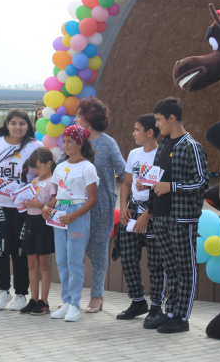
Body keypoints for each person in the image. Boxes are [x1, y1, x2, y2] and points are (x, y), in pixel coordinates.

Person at [142, 97, 208, 334]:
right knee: (171, 267)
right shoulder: (163, 145)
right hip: (160, 215)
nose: (157, 124)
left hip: (182, 217)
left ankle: (182, 316)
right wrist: (146, 183)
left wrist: (172, 186)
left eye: (159, 120)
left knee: (185, 267)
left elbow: (202, 182)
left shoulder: (191, 146)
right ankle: (171, 312)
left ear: (172, 118)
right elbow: (159, 176)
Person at [0, 109, 43, 311]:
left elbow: (43, 173)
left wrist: (35, 190)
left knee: (20, 250)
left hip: (23, 207)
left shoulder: (35, 146)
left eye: (22, 123)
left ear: (28, 125)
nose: (18, 127)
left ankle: (21, 294)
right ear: (7, 124)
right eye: (14, 123)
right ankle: (3, 291)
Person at [73, 97, 125, 313]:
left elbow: (123, 171)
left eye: (78, 115)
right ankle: (71, 297)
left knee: (98, 253)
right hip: (75, 207)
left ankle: (97, 295)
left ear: (89, 120)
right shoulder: (74, 141)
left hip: (102, 207)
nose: (74, 118)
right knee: (74, 253)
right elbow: (61, 167)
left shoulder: (108, 143)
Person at [42, 125, 99, 322]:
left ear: (80, 144)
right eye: (64, 141)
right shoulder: (60, 166)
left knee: (75, 261)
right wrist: (47, 207)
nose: (65, 145)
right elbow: (57, 196)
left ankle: (75, 303)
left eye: (70, 142)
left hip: (77, 214)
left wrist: (74, 216)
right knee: (62, 261)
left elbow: (92, 199)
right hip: (60, 213)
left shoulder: (88, 168)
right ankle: (66, 301)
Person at [116, 114, 165, 326]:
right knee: (127, 256)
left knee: (155, 262)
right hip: (133, 210)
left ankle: (156, 306)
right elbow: (127, 183)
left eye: (137, 129)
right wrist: (124, 206)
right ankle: (138, 301)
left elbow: (163, 189)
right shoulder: (134, 153)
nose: (133, 133)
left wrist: (149, 213)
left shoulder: (162, 154)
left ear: (150, 132)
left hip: (153, 213)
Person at [19, 146, 57, 315]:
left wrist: (40, 205)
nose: (36, 171)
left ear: (49, 164)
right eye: (34, 168)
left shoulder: (52, 182)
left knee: (43, 263)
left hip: (43, 223)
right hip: (30, 221)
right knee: (31, 263)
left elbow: (53, 203)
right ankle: (33, 298)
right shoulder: (35, 181)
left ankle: (44, 301)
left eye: (39, 167)